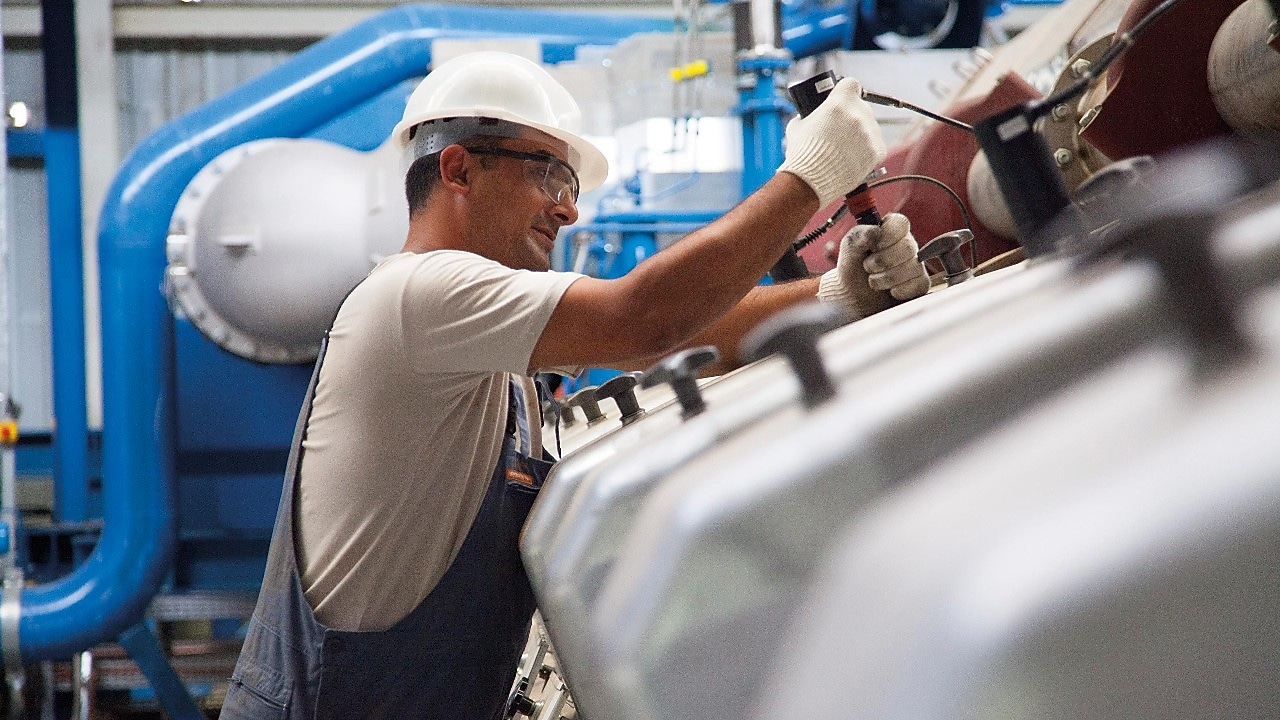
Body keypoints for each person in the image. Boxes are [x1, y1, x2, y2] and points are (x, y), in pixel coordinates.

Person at [221, 50, 929, 720]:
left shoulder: (484, 347)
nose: (569, 209)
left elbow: (666, 343)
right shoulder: (420, 293)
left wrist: (835, 296)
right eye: (549, 175)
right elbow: (642, 320)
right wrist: (807, 178)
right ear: (460, 169)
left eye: (572, 186)